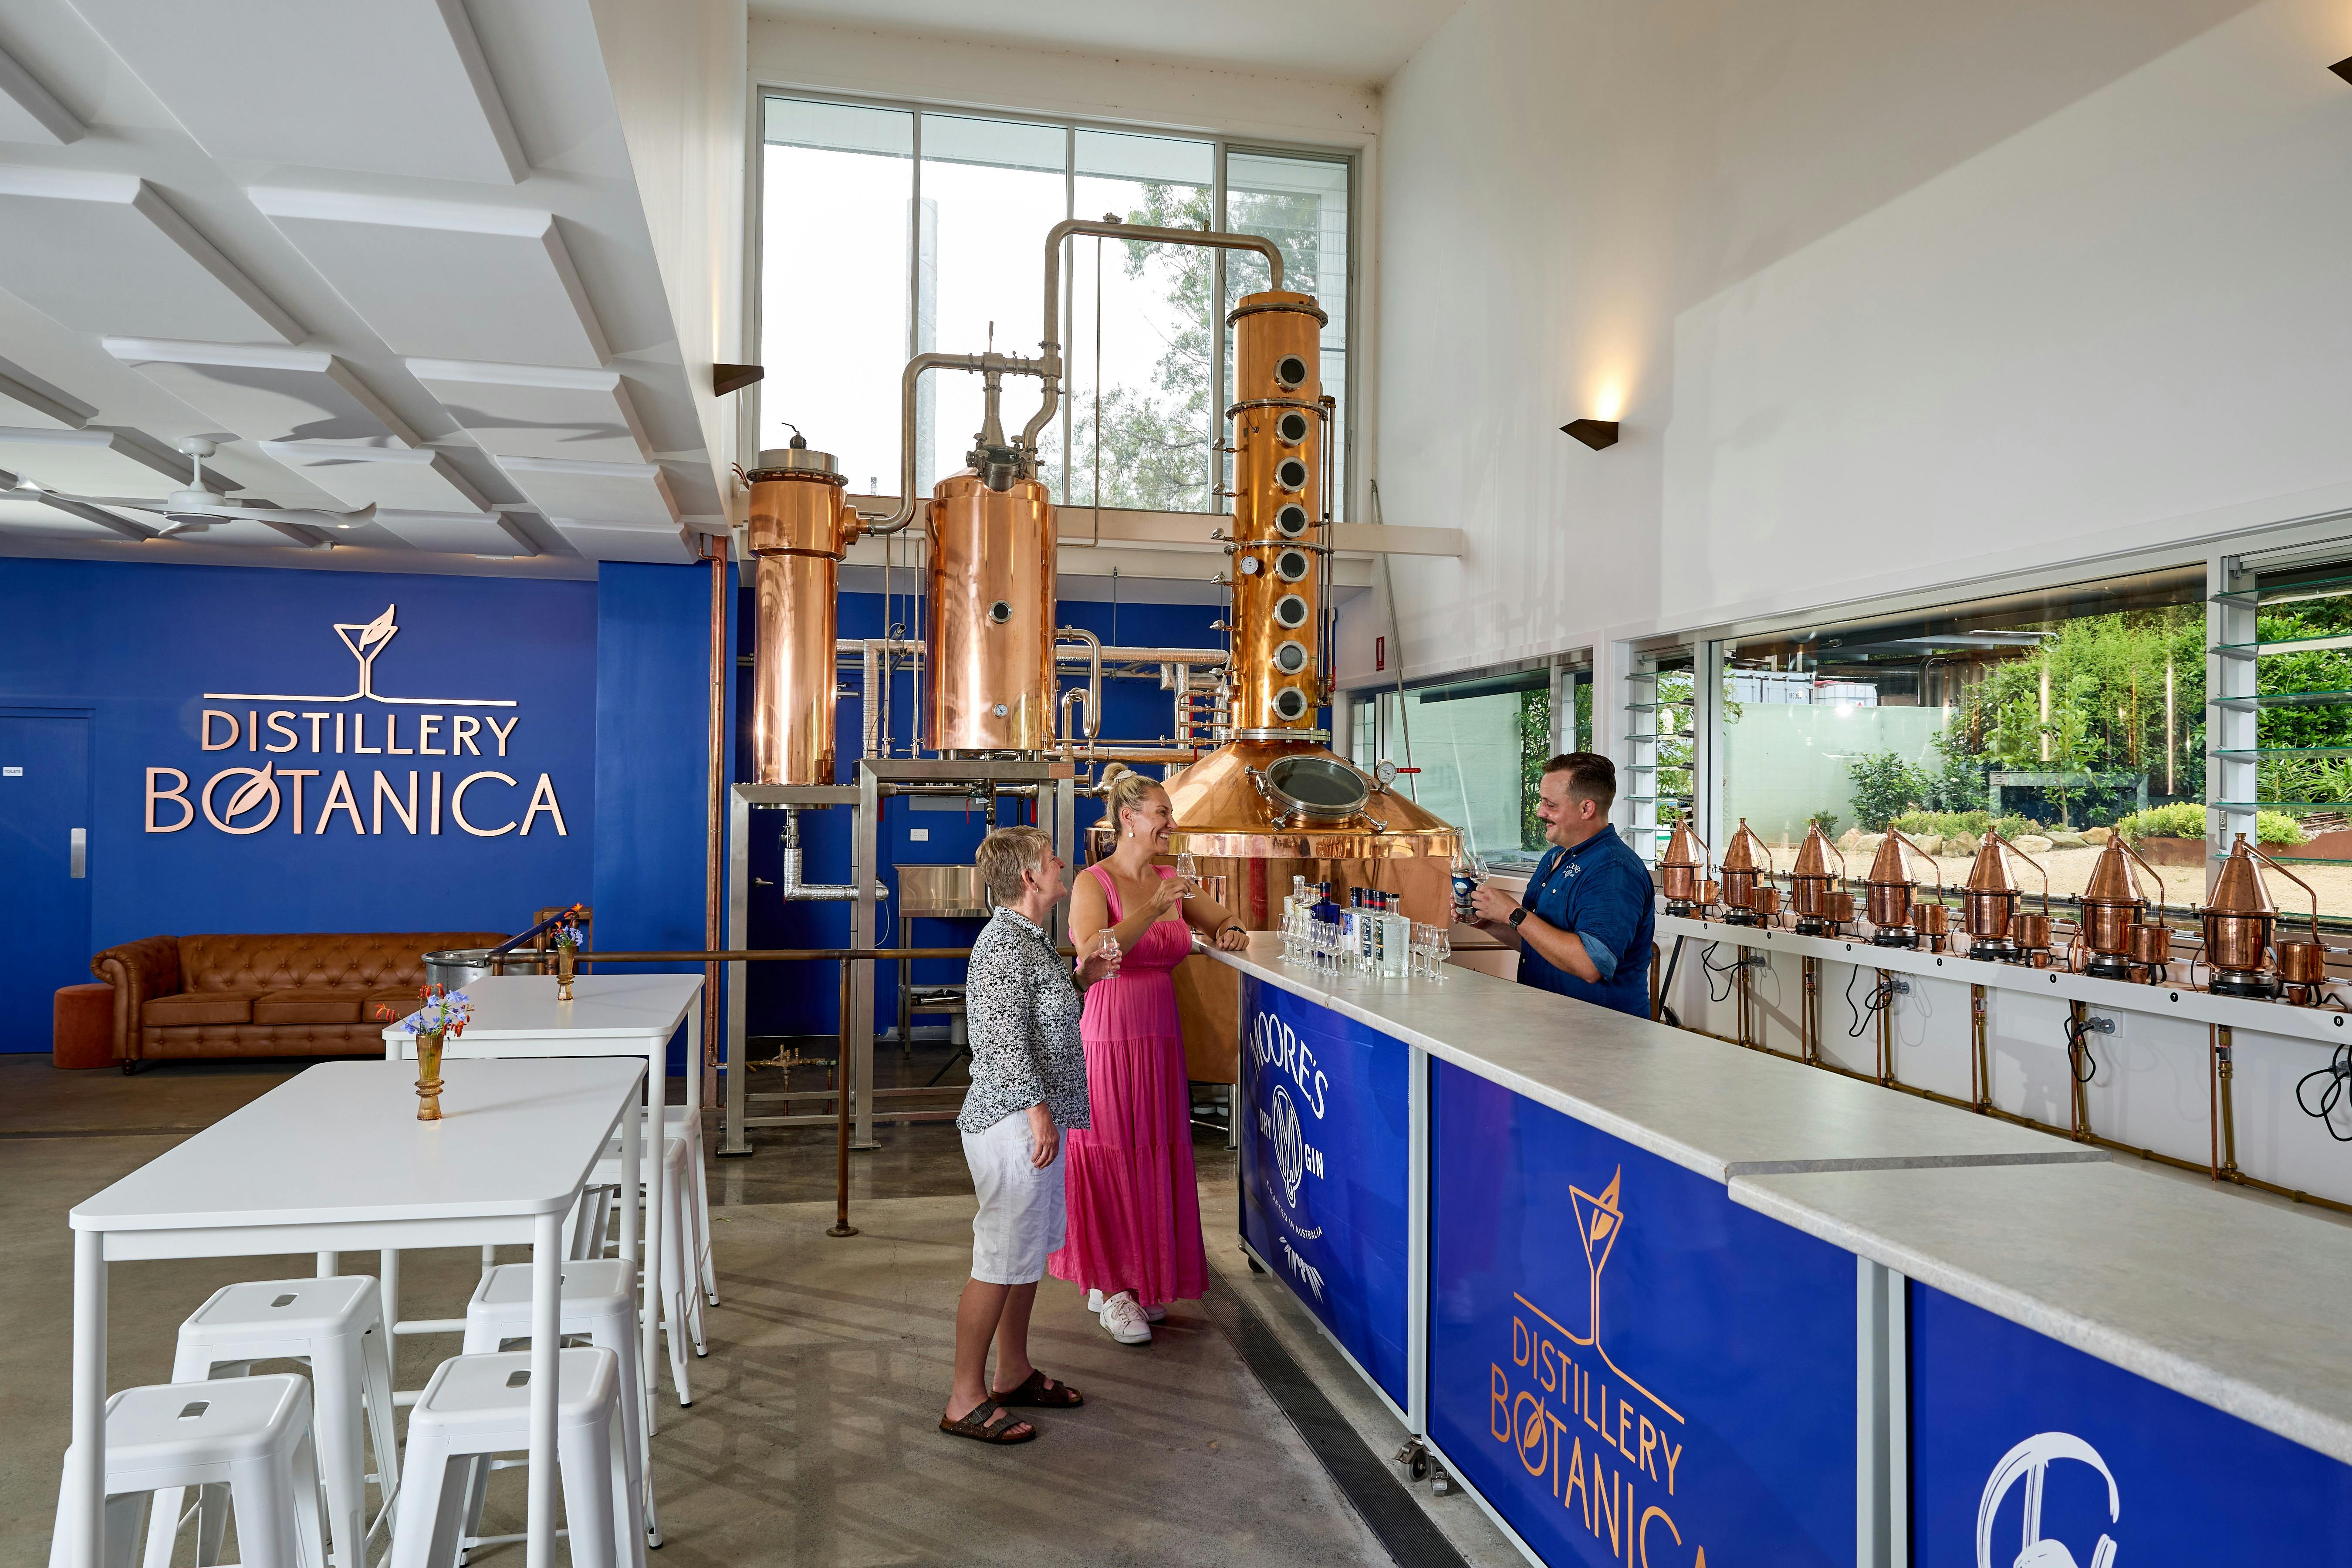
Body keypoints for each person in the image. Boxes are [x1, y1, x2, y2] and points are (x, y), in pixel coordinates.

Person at [1052, 766, 1250, 1345]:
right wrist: (1154, 907)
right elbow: (1093, 952)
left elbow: (1222, 919)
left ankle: (1136, 1277)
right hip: (1109, 1034)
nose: (1171, 823)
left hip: (1160, 1036)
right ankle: (1110, 1289)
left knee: (1153, 1151)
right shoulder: (1096, 882)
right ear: (1129, 820)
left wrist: (1232, 928)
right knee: (1110, 1151)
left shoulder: (1174, 879)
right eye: (1162, 813)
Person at [941, 825, 1121, 1445]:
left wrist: (1084, 979)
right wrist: (1039, 1113)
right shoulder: (1000, 946)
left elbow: (1036, 1017)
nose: (1061, 861)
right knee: (997, 1259)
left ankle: (1012, 1372)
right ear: (1029, 878)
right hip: (1013, 1124)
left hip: (1034, 1120)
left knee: (1023, 1256)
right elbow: (1000, 1043)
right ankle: (964, 1398)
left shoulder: (1031, 942)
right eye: (1050, 856)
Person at [1470, 752, 1655, 1018]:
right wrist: (1488, 921)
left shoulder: (1615, 869)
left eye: (1551, 804)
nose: (1540, 812)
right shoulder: (1556, 857)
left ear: (1586, 809)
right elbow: (1539, 944)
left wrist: (1514, 914)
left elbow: (1591, 964)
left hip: (1600, 1033)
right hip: (1549, 1022)